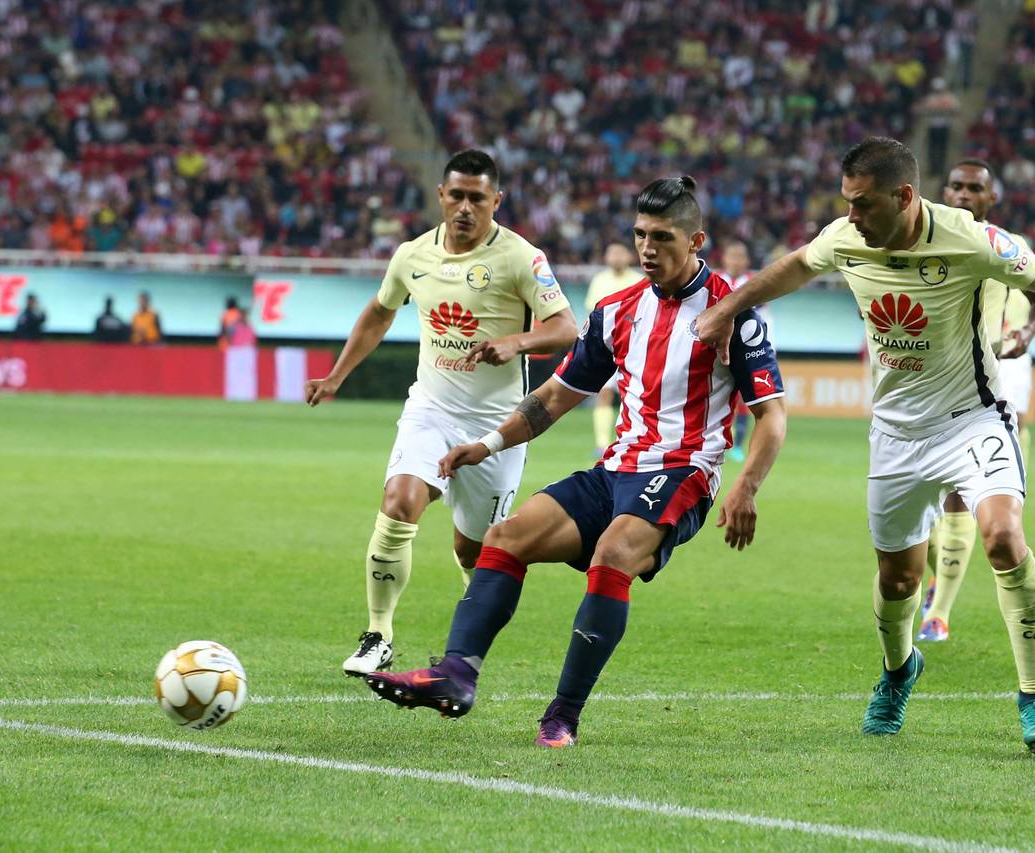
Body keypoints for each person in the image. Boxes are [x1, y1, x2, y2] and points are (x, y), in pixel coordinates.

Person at [695, 137, 1035, 753]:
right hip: (896, 434)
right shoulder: (844, 237)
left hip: (973, 419)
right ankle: (899, 671)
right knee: (899, 580)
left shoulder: (971, 239)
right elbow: (791, 267)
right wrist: (729, 309)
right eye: (847, 202)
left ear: (904, 196)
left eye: (864, 204)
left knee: (1002, 536)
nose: (851, 216)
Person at [363, 176, 787, 748]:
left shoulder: (733, 315)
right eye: (640, 235)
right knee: (505, 538)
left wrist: (746, 487)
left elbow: (771, 416)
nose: (647, 249)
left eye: (662, 237)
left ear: (696, 242)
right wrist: (487, 445)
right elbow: (555, 398)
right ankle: (456, 675)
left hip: (682, 472)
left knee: (613, 554)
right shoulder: (616, 311)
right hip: (614, 470)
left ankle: (562, 715)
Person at [303, 149, 578, 677]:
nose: (465, 208)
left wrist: (517, 342)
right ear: (441, 196)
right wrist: (337, 375)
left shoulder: (522, 257)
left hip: (497, 427)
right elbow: (379, 311)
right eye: (457, 196)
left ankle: (465, 644)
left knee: (474, 551)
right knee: (399, 502)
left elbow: (566, 327)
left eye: (478, 198)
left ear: (496, 200)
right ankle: (378, 635)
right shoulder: (412, 255)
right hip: (431, 408)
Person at [916, 159, 1035, 643]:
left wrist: (1028, 331)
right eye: (956, 186)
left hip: (992, 375)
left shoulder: (1006, 246)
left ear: (991, 198)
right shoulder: (920, 242)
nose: (964, 195)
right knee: (919, 505)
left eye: (974, 188)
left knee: (960, 495)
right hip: (928, 382)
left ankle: (938, 613)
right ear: (944, 192)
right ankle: (936, 578)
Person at [583, 243, 642, 456]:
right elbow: (593, 312)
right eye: (612, 253)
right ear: (606, 257)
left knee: (634, 396)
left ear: (629, 256)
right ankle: (601, 444)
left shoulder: (639, 280)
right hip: (606, 348)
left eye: (620, 253)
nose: (616, 257)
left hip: (635, 348)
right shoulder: (599, 280)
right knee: (604, 394)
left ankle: (632, 441)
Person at [721, 240, 771, 462]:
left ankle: (738, 445)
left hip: (745, 349)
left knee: (744, 398)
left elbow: (763, 318)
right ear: (724, 259)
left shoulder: (755, 283)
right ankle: (717, 438)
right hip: (718, 348)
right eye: (732, 256)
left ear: (747, 260)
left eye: (740, 256)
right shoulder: (715, 280)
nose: (736, 261)